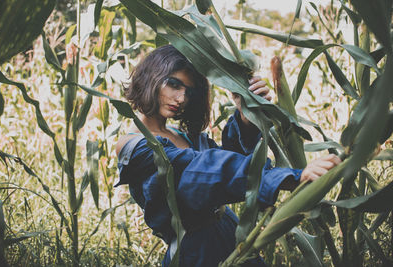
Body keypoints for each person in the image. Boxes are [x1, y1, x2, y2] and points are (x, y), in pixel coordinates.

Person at [115, 45, 341, 266]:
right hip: (195, 251)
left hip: (229, 231)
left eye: (189, 91)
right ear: (151, 77)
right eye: (174, 84)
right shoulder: (135, 146)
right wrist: (289, 177)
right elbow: (203, 170)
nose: (182, 98)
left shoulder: (179, 134)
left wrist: (246, 113)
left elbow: (228, 160)